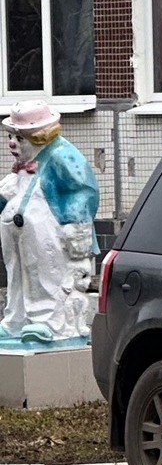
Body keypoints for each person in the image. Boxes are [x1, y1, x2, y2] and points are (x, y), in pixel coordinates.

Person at [0, 100, 99, 343]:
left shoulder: (62, 155)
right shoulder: (25, 162)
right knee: (17, 273)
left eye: (20, 138)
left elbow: (83, 189)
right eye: (11, 135)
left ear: (40, 136)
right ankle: (16, 319)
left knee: (47, 273)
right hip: (19, 229)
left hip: (49, 232)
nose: (12, 143)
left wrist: (76, 227)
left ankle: (48, 321)